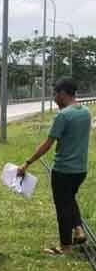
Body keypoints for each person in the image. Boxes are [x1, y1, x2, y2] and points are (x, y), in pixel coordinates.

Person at [18, 77, 91, 255]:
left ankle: (65, 247)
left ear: (63, 94)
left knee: (62, 207)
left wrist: (27, 162)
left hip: (63, 170)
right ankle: (79, 229)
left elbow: (47, 144)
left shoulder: (63, 115)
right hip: (80, 170)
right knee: (70, 199)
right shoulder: (86, 112)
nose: (54, 98)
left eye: (55, 94)